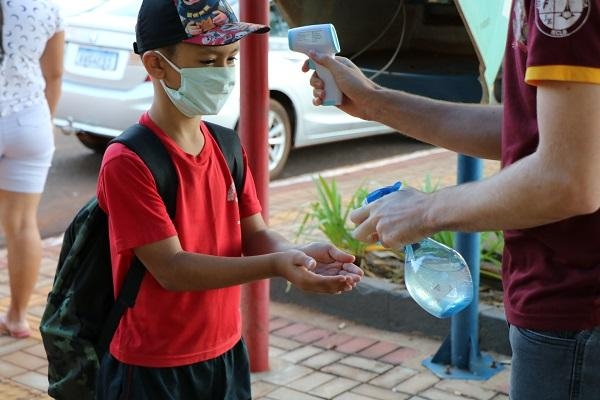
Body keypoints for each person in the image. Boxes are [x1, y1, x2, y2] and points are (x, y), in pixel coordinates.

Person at [307, 1, 599, 399]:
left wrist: (424, 211)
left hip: (578, 309)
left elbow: (566, 180)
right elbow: (532, 129)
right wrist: (375, 102)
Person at [95, 0, 363, 398]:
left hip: (225, 350)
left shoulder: (226, 145)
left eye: (230, 58)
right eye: (207, 61)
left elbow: (254, 234)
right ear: (156, 65)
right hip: (153, 364)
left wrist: (298, 255)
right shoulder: (129, 160)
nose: (223, 73)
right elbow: (172, 269)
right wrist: (277, 265)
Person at [0, 0, 64, 339]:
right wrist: (45, 122)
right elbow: (54, 75)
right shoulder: (45, 7)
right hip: (30, 121)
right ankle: (17, 317)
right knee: (24, 223)